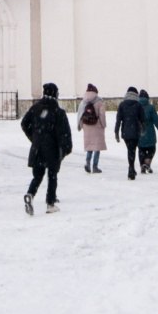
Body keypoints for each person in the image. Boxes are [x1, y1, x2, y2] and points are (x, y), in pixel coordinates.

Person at [20, 82, 73, 215]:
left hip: (37, 148)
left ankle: (30, 194)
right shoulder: (58, 112)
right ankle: (50, 203)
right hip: (52, 149)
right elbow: (64, 132)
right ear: (55, 95)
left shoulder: (35, 109)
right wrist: (65, 148)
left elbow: (24, 123)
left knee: (37, 175)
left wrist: (34, 137)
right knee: (52, 175)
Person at [113, 87, 144, 179]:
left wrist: (116, 132)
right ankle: (131, 169)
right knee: (132, 150)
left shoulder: (122, 105)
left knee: (130, 150)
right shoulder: (138, 105)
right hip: (135, 131)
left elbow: (118, 120)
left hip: (126, 132)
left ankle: (131, 168)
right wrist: (143, 129)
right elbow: (143, 119)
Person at [78, 84, 107, 173]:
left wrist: (80, 125)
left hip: (87, 125)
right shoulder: (99, 101)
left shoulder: (83, 101)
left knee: (89, 146)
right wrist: (103, 125)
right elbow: (102, 115)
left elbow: (80, 114)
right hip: (97, 126)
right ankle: (95, 166)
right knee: (96, 147)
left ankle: (87, 163)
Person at [136, 89, 158, 174]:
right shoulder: (151, 107)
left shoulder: (136, 107)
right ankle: (147, 162)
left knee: (141, 149)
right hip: (150, 133)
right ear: (147, 98)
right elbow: (156, 120)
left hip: (139, 132)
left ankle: (142, 165)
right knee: (152, 149)